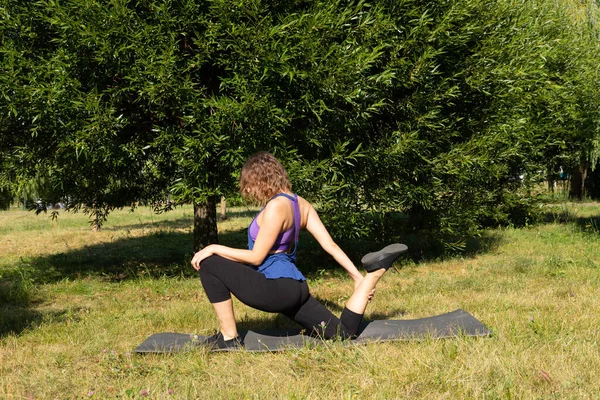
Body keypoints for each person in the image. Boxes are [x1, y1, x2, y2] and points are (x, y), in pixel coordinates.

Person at [191, 152, 401, 349]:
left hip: (276, 289)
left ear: (260, 179)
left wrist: (214, 247)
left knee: (209, 263)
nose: (247, 191)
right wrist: (357, 278)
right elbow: (330, 246)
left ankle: (229, 337)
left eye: (248, 184)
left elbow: (256, 258)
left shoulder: (276, 207)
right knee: (342, 334)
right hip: (296, 288)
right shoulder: (302, 204)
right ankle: (372, 275)